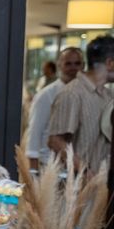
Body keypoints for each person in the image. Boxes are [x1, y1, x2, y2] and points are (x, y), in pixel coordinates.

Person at [48, 35, 114, 173]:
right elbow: (55, 141)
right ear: (110, 63)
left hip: (104, 186)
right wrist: (85, 172)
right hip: (80, 189)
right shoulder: (72, 94)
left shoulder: (108, 95)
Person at [26, 47, 83, 170]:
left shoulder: (85, 94)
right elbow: (35, 132)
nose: (73, 68)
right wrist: (33, 171)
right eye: (68, 63)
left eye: (77, 63)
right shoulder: (46, 95)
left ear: (83, 66)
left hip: (78, 167)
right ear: (59, 65)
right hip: (50, 167)